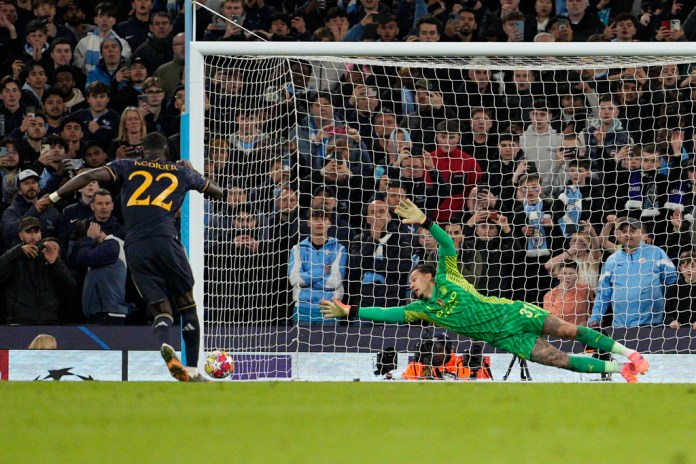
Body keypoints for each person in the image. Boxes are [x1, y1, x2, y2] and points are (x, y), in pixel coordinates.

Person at [320, 200, 651, 383]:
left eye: (414, 279)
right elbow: (385, 314)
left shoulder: (447, 274)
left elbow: (448, 242)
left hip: (511, 311)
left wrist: (425, 221)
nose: (411, 284)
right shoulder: (422, 310)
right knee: (559, 360)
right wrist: (350, 310)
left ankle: (629, 354)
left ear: (428, 275)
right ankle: (619, 370)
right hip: (506, 339)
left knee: (568, 330)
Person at [36, 132, 224, 381]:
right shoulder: (181, 172)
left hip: (135, 245)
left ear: (142, 151)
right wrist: (194, 173)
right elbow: (218, 192)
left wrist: (53, 197)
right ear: (165, 151)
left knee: (161, 310)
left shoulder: (127, 165)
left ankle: (165, 343)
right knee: (187, 304)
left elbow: (90, 175)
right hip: (166, 240)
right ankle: (191, 371)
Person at [589, 216, 678, 327]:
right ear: (618, 234)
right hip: (620, 327)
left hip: (655, 326)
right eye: (624, 231)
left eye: (632, 230)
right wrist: (595, 317)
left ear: (641, 233)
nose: (628, 234)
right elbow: (603, 294)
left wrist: (672, 317)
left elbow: (673, 283)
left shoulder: (656, 252)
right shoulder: (611, 260)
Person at [0, 216, 76, 324]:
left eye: (36, 232)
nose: (33, 236)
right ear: (20, 235)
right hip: (20, 321)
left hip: (48, 320)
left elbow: (70, 285)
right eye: (28, 232)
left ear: (40, 234)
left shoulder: (48, 255)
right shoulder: (14, 257)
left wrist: (54, 263)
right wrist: (18, 251)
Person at [288, 208, 348, 324]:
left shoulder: (339, 249)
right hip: (302, 310)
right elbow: (294, 279)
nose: (320, 222)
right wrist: (323, 271)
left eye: (324, 219)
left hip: (330, 309)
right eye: (315, 219)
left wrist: (306, 279)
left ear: (330, 223)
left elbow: (334, 282)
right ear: (309, 223)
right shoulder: (297, 249)